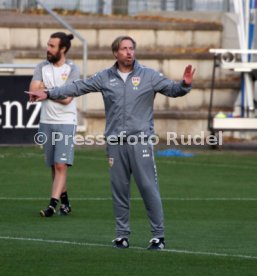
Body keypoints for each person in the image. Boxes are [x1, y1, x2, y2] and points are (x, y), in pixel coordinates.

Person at [27, 35, 195, 249]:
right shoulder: (105, 77)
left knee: (148, 188)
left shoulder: (149, 76)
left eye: (131, 48)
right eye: (124, 48)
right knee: (119, 189)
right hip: (115, 143)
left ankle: (158, 236)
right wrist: (49, 93)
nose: (129, 52)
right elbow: (77, 87)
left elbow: (173, 90)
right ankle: (122, 234)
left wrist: (184, 85)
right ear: (115, 52)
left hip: (140, 141)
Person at [29, 32, 80, 217]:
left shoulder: (72, 69)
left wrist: (47, 91)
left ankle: (52, 205)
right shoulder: (42, 66)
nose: (48, 49)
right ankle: (65, 202)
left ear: (63, 49)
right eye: (48, 45)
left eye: (52, 46)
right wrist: (53, 91)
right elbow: (33, 91)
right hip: (46, 121)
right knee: (54, 165)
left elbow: (67, 99)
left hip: (66, 122)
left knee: (60, 165)